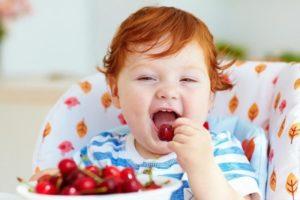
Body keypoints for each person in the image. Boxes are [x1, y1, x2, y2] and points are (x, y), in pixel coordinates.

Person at [32, 6, 264, 200]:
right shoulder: (101, 153)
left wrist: (202, 167)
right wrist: (52, 184)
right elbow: (70, 188)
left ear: (210, 96)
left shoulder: (217, 150)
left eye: (187, 79)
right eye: (147, 78)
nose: (168, 91)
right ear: (115, 91)